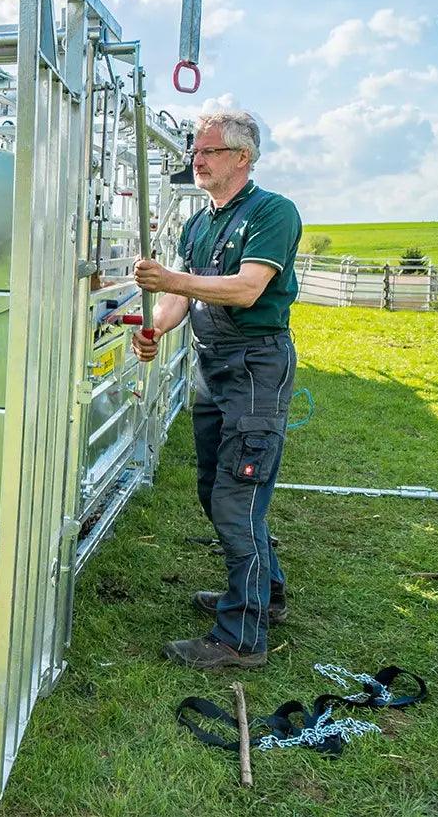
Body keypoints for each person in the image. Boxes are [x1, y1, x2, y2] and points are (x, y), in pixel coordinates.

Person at [132, 111, 302, 669]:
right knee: (216, 491)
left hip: (255, 366)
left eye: (206, 152)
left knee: (237, 498)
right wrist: (157, 325)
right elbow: (180, 298)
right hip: (213, 366)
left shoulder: (272, 212)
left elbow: (249, 289)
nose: (196, 161)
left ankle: (240, 638)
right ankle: (263, 595)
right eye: (195, 153)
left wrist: (170, 280)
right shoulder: (198, 223)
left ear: (241, 158)